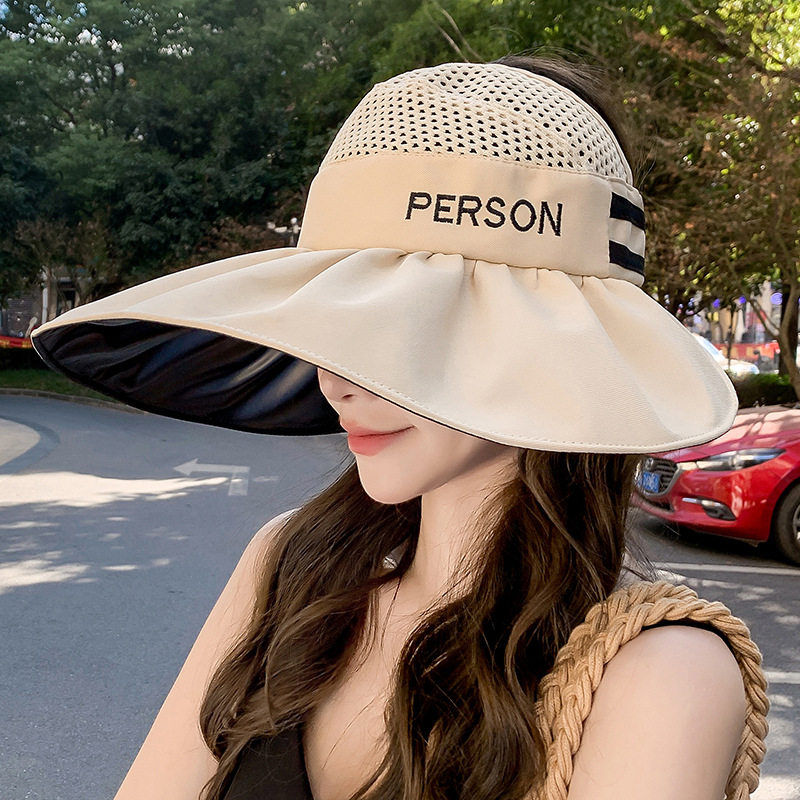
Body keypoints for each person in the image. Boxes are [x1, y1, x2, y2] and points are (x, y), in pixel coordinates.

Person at [31, 56, 767, 800]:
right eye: (341, 325)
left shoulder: (658, 676)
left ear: (553, 339)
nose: (337, 381)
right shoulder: (290, 566)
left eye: (407, 325)